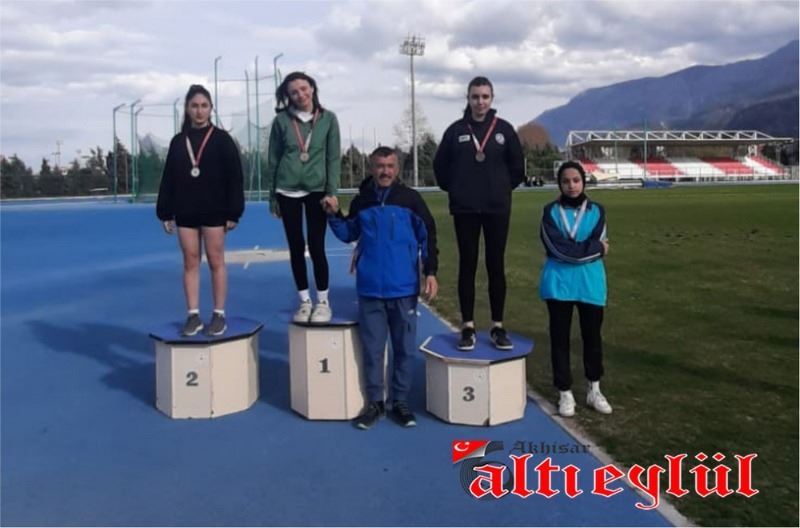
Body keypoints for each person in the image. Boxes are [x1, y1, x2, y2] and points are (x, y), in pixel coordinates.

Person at [324, 147, 438, 430]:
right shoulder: (362, 201)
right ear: (372, 168)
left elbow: (428, 234)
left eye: (389, 166)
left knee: (404, 349)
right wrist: (334, 215)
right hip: (371, 289)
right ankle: (375, 403)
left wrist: (431, 272)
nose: (385, 171)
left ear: (396, 168)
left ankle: (400, 401)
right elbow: (349, 233)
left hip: (404, 288)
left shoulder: (411, 199)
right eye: (379, 166)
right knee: (373, 351)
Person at [433, 76, 524, 352]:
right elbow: (440, 167)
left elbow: (517, 169)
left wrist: (500, 189)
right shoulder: (456, 131)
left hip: (497, 208)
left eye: (485, 96)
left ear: (492, 99)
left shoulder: (505, 130)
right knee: (468, 264)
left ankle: (497, 326)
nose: (480, 102)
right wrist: (457, 189)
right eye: (475, 96)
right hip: (466, 209)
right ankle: (468, 326)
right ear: (468, 98)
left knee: (496, 265)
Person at [156, 84, 244, 337]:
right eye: (194, 106)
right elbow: (168, 178)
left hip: (215, 210)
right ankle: (193, 315)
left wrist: (234, 212)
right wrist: (165, 211)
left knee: (216, 260)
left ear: (211, 109)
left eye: (204, 106)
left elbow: (235, 177)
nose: (199, 111)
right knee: (190, 261)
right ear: (187, 109)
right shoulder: (178, 141)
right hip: (186, 211)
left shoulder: (222, 139)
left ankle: (219, 314)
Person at [266, 71, 341, 323]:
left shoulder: (328, 119)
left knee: (317, 246)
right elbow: (274, 159)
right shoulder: (281, 121)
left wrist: (332, 192)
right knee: (296, 247)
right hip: (287, 190)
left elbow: (333, 158)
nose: (300, 95)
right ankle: (304, 301)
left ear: (312, 88)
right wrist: (273, 196)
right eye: (294, 92)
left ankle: (323, 301)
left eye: (303, 88)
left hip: (317, 190)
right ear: (288, 96)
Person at [539, 160, 612, 417]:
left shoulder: (597, 211)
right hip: (558, 284)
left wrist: (583, 250)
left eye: (576, 180)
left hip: (590, 284)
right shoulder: (549, 212)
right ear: (559, 184)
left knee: (592, 338)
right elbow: (557, 249)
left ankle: (594, 389)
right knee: (560, 339)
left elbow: (576, 248)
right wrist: (596, 250)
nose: (571, 185)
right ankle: (565, 392)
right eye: (566, 181)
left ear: (583, 181)